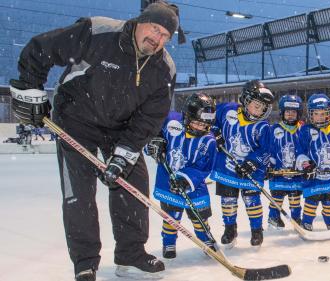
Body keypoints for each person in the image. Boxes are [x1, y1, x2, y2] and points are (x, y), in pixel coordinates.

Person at [9, 2, 181, 280]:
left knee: (133, 185)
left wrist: (125, 154)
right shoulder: (98, 32)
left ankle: (130, 255)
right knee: (79, 193)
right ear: (141, 21)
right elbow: (41, 48)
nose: (157, 38)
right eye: (155, 28)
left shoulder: (164, 68)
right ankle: (85, 262)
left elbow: (150, 118)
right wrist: (31, 88)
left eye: (165, 36)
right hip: (76, 121)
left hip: (122, 129)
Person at [145, 93, 217, 259]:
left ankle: (205, 240)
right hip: (167, 181)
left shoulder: (208, 141)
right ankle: (168, 243)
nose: (200, 127)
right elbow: (152, 129)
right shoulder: (171, 121)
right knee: (172, 217)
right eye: (197, 122)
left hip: (194, 185)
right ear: (187, 116)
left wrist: (185, 179)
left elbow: (203, 167)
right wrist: (155, 141)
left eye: (205, 124)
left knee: (200, 216)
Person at [209, 80, 274, 248]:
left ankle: (256, 230)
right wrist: (214, 133)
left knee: (252, 199)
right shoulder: (227, 110)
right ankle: (230, 229)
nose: (261, 111)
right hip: (227, 168)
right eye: (257, 105)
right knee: (228, 199)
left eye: (264, 108)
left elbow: (266, 150)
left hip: (250, 171)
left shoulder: (263, 126)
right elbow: (210, 121)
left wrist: (253, 163)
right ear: (245, 100)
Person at [296, 92, 330, 232]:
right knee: (312, 200)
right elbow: (300, 150)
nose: (320, 117)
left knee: (329, 201)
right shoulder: (306, 130)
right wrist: (306, 164)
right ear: (311, 114)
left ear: (329, 114)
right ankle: (306, 223)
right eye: (316, 114)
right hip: (314, 175)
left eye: (323, 113)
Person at [267, 94, 304, 228]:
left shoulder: (302, 129)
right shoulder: (275, 129)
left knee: (295, 199)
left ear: (298, 114)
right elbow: (270, 148)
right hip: (278, 172)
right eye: (287, 112)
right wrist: (269, 166)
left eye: (293, 112)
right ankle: (273, 218)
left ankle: (296, 219)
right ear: (282, 113)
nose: (290, 115)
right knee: (277, 197)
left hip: (296, 173)